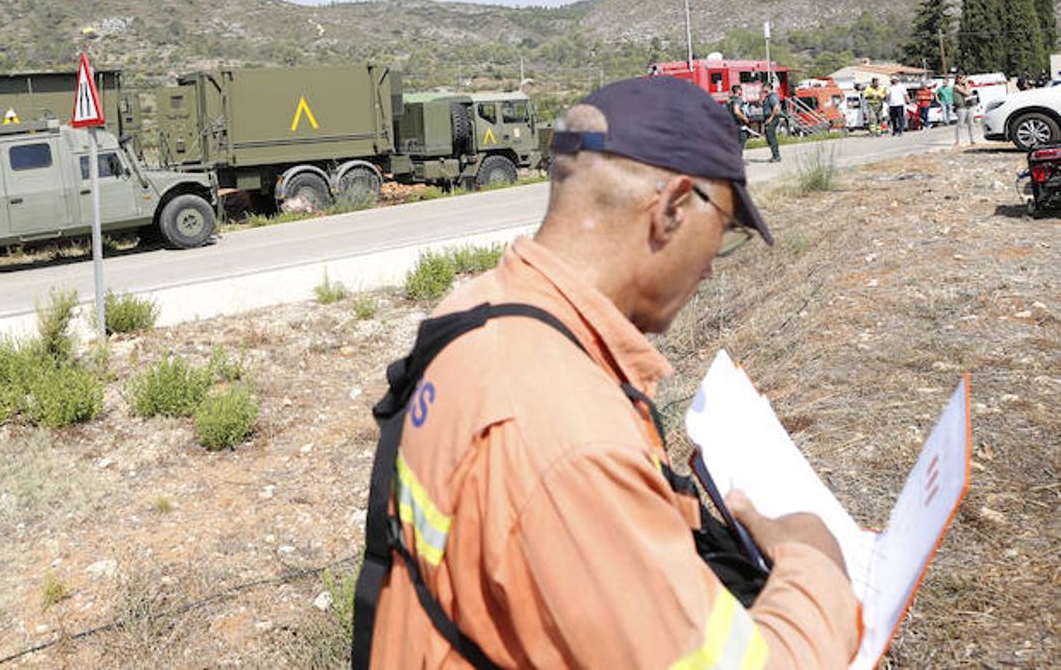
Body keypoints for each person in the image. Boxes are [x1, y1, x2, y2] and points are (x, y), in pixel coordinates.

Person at [359, 77, 858, 668]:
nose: (710, 269)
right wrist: (813, 563)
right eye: (723, 230)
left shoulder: (478, 309)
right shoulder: (568, 438)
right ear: (672, 207)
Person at [952, 76, 977, 146]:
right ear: (957, 79)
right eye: (961, 78)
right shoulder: (956, 87)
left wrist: (967, 85)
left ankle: (972, 140)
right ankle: (957, 141)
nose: (962, 80)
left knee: (971, 123)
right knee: (960, 123)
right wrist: (967, 85)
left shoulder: (966, 86)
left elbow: (968, 92)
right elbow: (966, 93)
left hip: (969, 106)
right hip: (961, 107)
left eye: (963, 78)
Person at [762, 82, 783, 162]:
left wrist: (770, 118)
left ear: (767, 87)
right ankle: (775, 155)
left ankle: (776, 156)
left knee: (771, 137)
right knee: (769, 137)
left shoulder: (772, 96)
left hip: (772, 118)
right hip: (769, 118)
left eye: (763, 87)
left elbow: (776, 108)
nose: (762, 89)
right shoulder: (767, 97)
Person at [726, 83, 749, 148]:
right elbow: (736, 111)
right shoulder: (738, 100)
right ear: (739, 91)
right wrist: (744, 118)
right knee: (741, 142)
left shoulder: (729, 100)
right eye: (741, 90)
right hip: (738, 123)